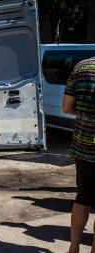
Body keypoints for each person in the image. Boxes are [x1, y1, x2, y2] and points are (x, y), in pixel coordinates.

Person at [62, 57, 95, 253]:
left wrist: (84, 115)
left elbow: (66, 107)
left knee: (83, 198)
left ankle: (73, 249)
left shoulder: (81, 67)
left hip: (83, 146)